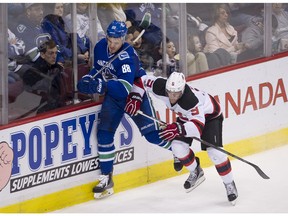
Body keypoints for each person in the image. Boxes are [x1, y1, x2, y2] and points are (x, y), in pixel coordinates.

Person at [77, 20, 180, 199]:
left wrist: (100, 86)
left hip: (135, 95)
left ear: (123, 39)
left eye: (116, 42)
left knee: (152, 135)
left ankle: (180, 150)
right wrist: (88, 78)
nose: (112, 45)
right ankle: (106, 178)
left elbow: (124, 88)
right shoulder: (100, 47)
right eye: (110, 40)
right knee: (104, 134)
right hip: (114, 96)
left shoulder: (128, 55)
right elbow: (97, 69)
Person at [125, 71, 238, 205]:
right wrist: (135, 97)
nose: (172, 97)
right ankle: (196, 171)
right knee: (177, 148)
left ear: (182, 90)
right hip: (186, 118)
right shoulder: (160, 86)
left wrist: (178, 129)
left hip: (209, 117)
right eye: (169, 92)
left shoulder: (190, 100)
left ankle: (229, 183)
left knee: (215, 153)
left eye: (176, 94)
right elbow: (142, 81)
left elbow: (198, 127)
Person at [16, 39, 66, 114]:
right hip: (38, 112)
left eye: (55, 53)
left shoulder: (55, 68)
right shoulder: (33, 72)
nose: (54, 56)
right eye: (51, 53)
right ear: (42, 55)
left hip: (52, 108)